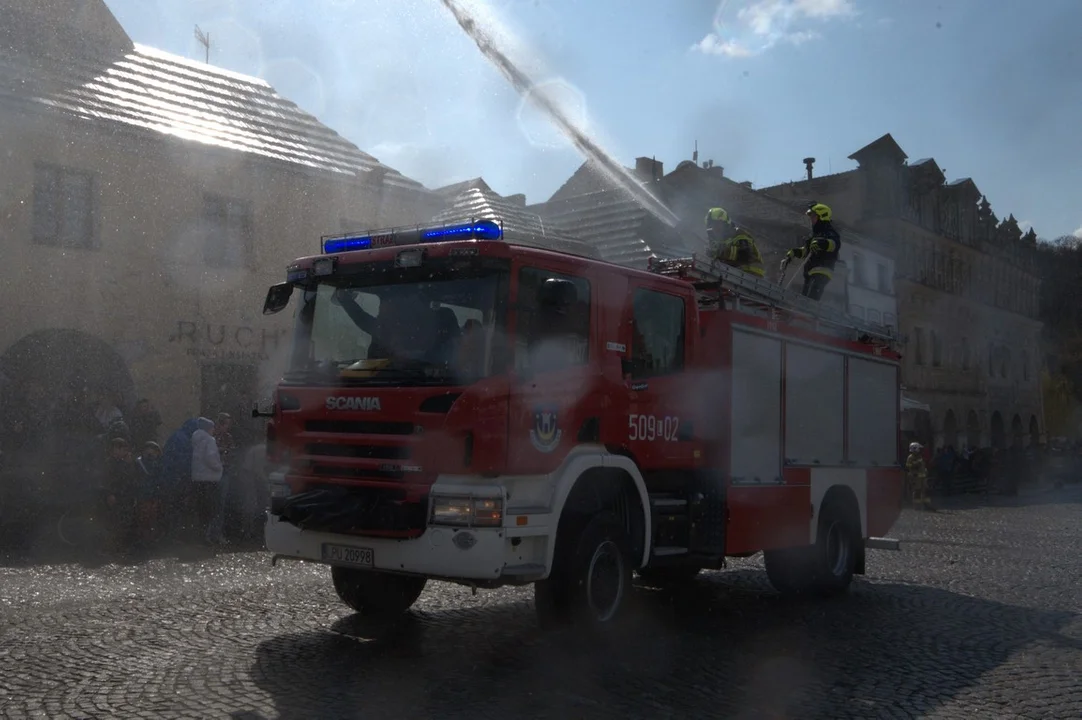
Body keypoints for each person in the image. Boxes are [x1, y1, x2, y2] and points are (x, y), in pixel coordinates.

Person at [785, 202, 841, 300]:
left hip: (822, 270)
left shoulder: (829, 232)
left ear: (822, 216)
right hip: (810, 272)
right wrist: (794, 252)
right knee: (805, 296)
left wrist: (822, 243)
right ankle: (802, 313)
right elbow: (806, 251)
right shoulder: (814, 235)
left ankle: (807, 312)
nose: (811, 219)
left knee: (811, 297)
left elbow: (834, 244)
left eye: (813, 216)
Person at [705, 207, 765, 278]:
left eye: (718, 224)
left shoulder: (739, 234)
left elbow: (744, 255)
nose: (715, 227)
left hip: (751, 272)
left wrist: (719, 252)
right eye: (713, 224)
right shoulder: (718, 239)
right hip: (733, 273)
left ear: (725, 223)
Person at [906, 442, 933, 511]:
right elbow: (908, 466)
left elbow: (922, 465)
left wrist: (925, 470)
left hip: (922, 477)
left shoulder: (919, 456)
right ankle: (917, 507)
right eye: (918, 448)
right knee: (917, 491)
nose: (920, 450)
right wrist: (917, 463)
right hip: (916, 477)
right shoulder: (910, 457)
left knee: (926, 490)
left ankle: (927, 506)